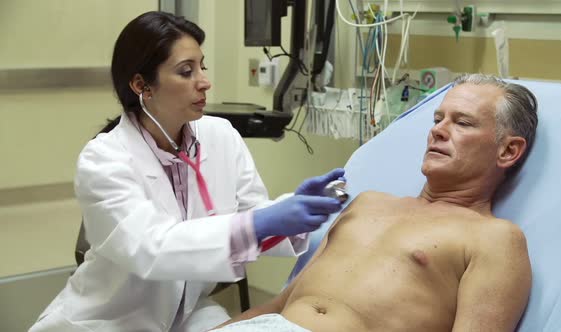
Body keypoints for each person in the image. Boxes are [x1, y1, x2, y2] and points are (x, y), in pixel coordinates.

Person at [30, 11, 346, 332]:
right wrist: (260, 223)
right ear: (142, 85)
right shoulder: (104, 160)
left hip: (187, 310)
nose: (205, 81)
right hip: (111, 319)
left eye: (201, 66)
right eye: (186, 71)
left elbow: (252, 214)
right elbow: (151, 248)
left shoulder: (220, 135)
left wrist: (295, 211)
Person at [212, 73, 538, 332]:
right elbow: (279, 304)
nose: (438, 130)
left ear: (508, 151)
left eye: (462, 123)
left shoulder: (494, 239)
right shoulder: (367, 203)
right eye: (438, 119)